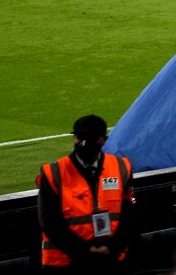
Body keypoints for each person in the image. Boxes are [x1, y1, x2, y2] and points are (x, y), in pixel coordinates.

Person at [37, 114, 135, 269]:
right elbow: (49, 221)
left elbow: (130, 213)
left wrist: (112, 247)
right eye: (80, 138)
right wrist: (85, 249)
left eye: (90, 139)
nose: (83, 144)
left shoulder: (121, 168)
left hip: (109, 258)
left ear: (104, 140)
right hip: (66, 262)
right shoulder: (54, 173)